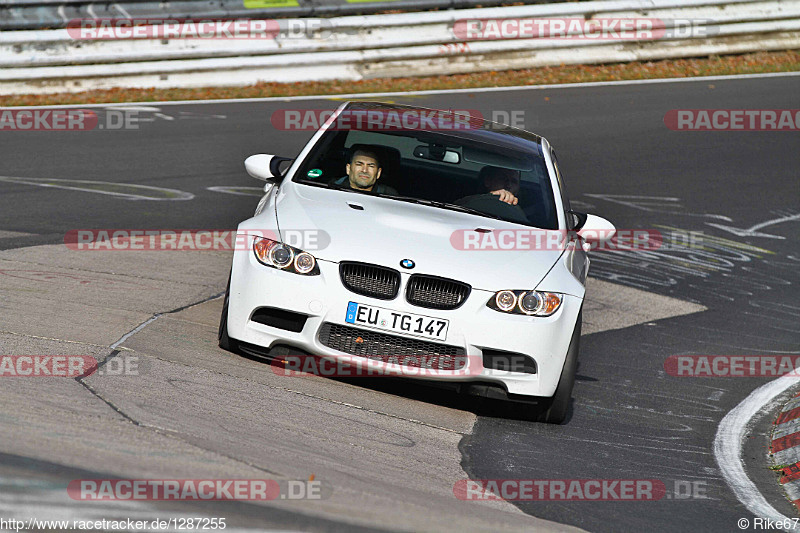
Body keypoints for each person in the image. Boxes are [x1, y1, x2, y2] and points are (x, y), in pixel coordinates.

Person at [330, 147, 398, 195]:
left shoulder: (390, 196)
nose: (365, 170)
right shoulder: (330, 188)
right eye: (359, 164)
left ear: (378, 173)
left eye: (371, 166)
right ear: (348, 169)